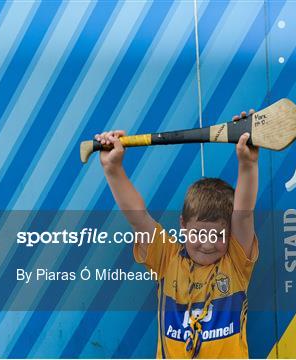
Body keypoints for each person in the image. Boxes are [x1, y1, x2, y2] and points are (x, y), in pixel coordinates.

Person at [95, 110, 259, 358]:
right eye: (198, 234)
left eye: (217, 236)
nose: (206, 245)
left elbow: (243, 214)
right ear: (183, 225)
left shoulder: (235, 262)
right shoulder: (167, 259)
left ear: (230, 234)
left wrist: (247, 164)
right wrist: (113, 169)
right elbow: (139, 218)